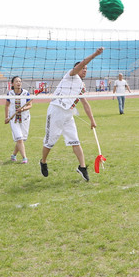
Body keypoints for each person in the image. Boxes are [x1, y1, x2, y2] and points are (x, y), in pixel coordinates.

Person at [40, 47, 103, 181]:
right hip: (56, 110)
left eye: (86, 69)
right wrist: (95, 54)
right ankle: (43, 161)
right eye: (83, 68)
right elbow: (81, 64)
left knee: (75, 140)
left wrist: (92, 120)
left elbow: (85, 103)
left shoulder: (81, 86)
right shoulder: (70, 75)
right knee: (50, 142)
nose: (84, 70)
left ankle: (82, 167)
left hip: (68, 114)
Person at [4, 76, 32, 164]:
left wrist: (23, 109)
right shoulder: (10, 94)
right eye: (16, 81)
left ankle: (13, 155)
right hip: (14, 120)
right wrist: (6, 117)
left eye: (20, 81)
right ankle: (24, 158)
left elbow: (30, 105)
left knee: (22, 139)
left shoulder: (26, 93)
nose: (18, 83)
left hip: (25, 119)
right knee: (19, 138)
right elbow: (7, 106)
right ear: (12, 84)